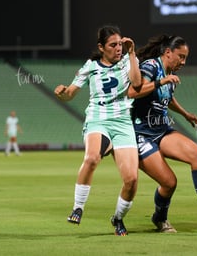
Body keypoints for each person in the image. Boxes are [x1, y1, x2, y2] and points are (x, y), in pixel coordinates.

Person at [128, 34, 197, 233]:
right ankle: (160, 219)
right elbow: (134, 92)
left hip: (162, 130)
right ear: (168, 53)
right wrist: (162, 81)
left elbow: (168, 98)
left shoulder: (171, 73)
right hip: (141, 134)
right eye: (180, 56)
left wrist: (185, 114)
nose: (183, 62)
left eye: (186, 58)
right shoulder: (151, 66)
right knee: (169, 182)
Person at [54, 25, 141, 236]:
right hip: (97, 119)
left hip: (122, 122)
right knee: (92, 158)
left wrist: (132, 53)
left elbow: (137, 85)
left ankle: (118, 218)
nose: (118, 48)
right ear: (101, 47)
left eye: (120, 44)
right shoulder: (91, 65)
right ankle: (78, 207)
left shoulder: (128, 60)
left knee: (131, 180)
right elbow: (71, 94)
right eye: (113, 45)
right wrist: (62, 93)